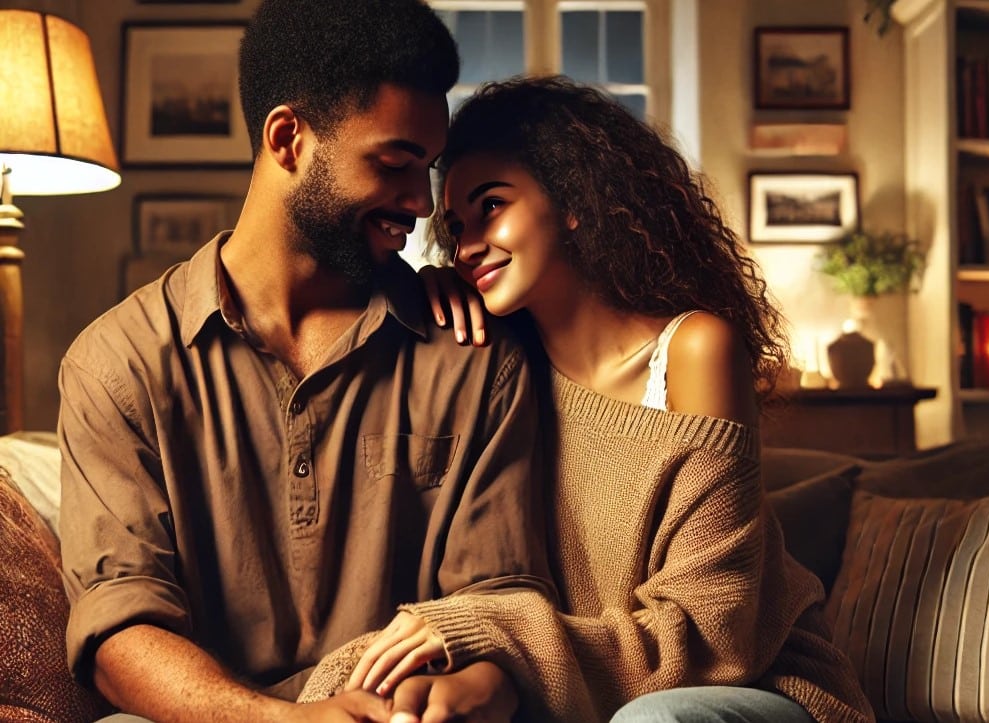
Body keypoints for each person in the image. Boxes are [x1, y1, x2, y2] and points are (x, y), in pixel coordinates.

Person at [301, 76, 874, 723]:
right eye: (455, 228)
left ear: (574, 199)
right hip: (583, 696)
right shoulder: (498, 370)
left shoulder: (693, 351)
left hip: (757, 688)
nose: (466, 247)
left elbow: (713, 634)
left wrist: (490, 632)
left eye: (491, 207)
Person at [56, 3, 559, 721]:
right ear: (287, 137)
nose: (420, 203)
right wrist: (285, 721)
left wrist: (465, 691)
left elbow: (499, 606)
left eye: (427, 168)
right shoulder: (118, 364)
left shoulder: (472, 354)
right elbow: (120, 630)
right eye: (393, 164)